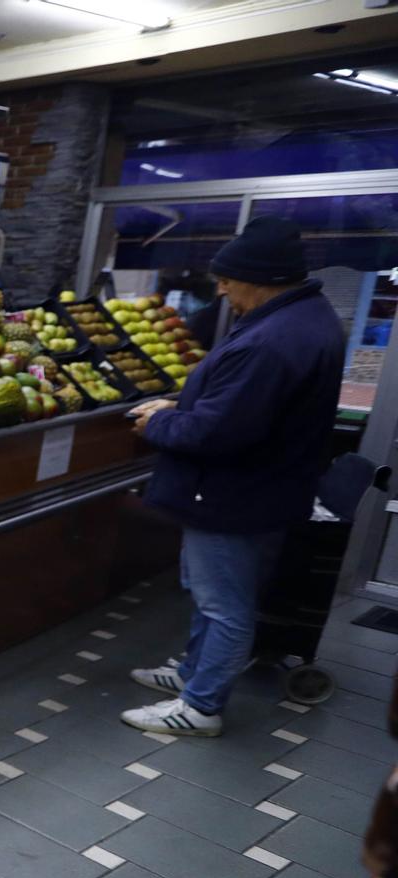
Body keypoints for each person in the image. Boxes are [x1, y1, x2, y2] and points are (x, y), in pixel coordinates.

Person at [123, 216, 345, 737]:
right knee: (213, 594)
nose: (220, 288)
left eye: (228, 278)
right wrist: (181, 402)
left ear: (263, 278)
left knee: (225, 604)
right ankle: (190, 673)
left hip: (236, 494)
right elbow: (246, 406)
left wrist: (160, 420)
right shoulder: (301, 320)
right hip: (261, 489)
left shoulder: (273, 339)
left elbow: (218, 432)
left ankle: (199, 707)